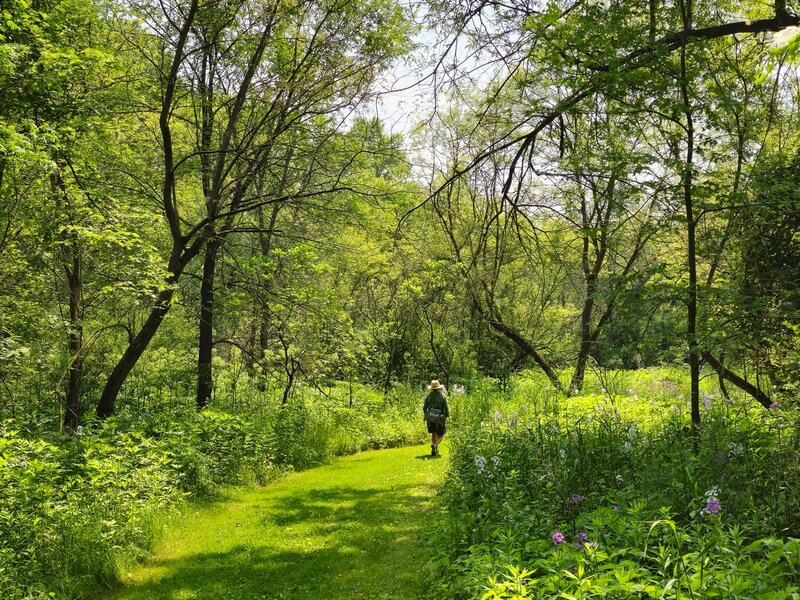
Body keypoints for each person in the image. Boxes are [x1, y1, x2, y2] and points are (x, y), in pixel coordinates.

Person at [423, 379, 449, 456]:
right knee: (441, 435)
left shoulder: (429, 396)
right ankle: (435, 445)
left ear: (432, 388)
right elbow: (446, 407)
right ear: (438, 387)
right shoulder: (442, 396)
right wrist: (447, 415)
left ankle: (435, 449)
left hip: (430, 418)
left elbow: (424, 407)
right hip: (439, 418)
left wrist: (426, 414)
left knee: (433, 434)